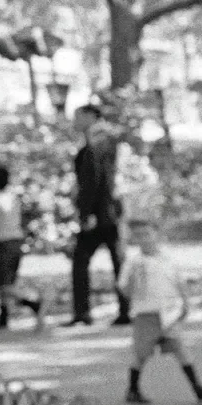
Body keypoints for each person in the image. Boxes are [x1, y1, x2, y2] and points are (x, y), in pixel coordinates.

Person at [118, 195, 202, 405]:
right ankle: (132, 388)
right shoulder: (134, 263)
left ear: (156, 235)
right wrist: (133, 281)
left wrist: (185, 303)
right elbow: (125, 289)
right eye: (139, 236)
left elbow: (178, 283)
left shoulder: (167, 260)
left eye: (147, 234)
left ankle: (197, 387)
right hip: (146, 314)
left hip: (168, 313)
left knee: (180, 349)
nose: (144, 239)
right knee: (141, 354)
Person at [68, 104, 130, 327]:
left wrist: (87, 213)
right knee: (115, 261)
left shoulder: (97, 141)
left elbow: (95, 180)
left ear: (89, 116)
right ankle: (121, 309)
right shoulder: (105, 139)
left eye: (76, 116)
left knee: (87, 260)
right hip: (109, 210)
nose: (73, 121)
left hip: (102, 213)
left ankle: (85, 312)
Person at [0, 164, 41, 332]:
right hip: (16, 242)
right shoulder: (13, 198)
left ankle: (32, 302)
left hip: (2, 243)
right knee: (5, 283)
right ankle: (4, 316)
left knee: (3, 285)